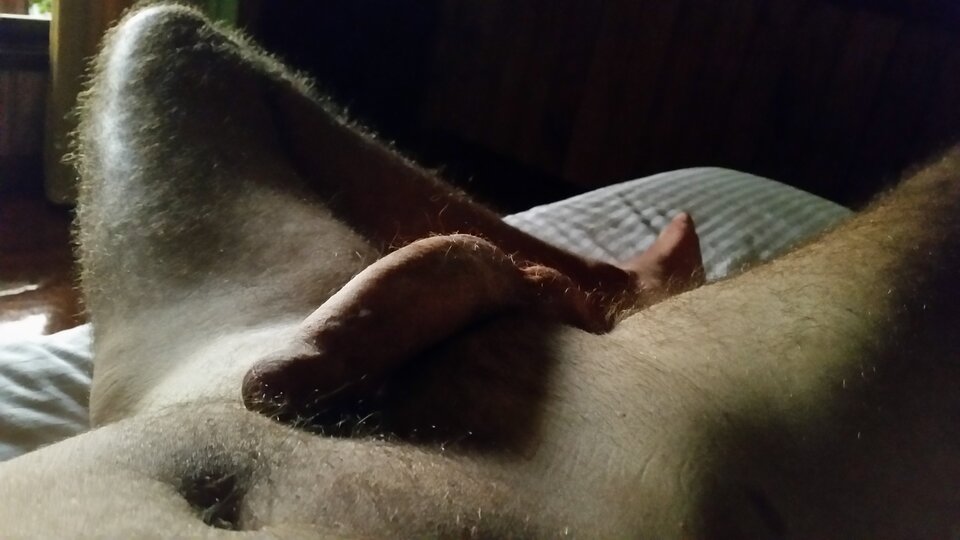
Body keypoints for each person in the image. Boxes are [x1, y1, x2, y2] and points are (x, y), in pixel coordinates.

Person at [1, 4, 957, 537]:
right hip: (641, 441)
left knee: (154, 47)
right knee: (158, 46)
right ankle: (600, 290)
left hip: (209, 373)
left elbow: (177, 44)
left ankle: (596, 288)